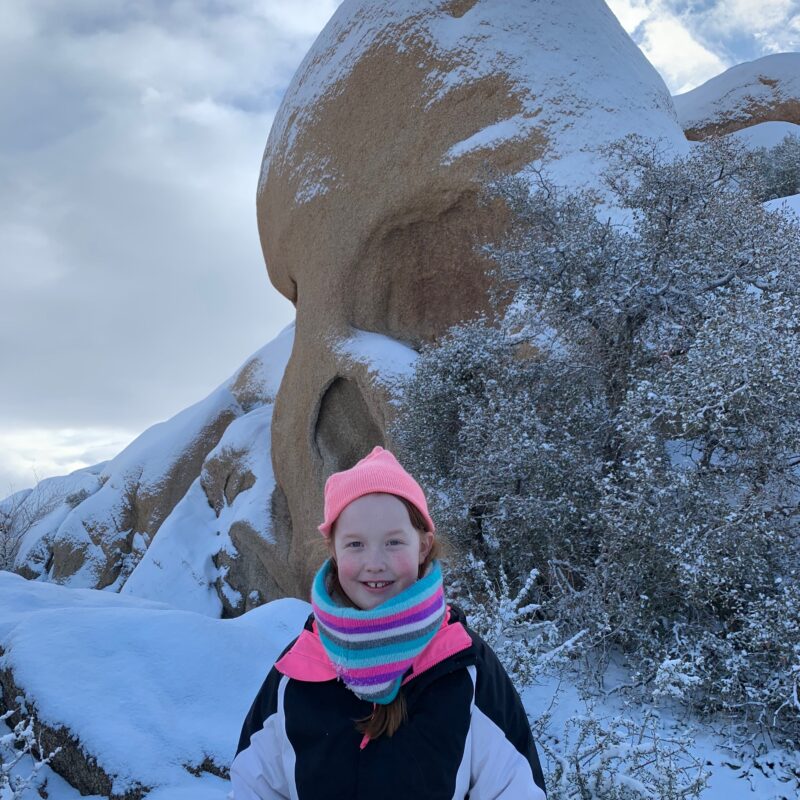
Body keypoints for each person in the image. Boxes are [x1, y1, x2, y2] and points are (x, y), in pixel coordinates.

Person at [230, 446, 547, 799]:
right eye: (355, 544)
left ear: (423, 547)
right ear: (333, 549)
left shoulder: (465, 668)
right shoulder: (297, 670)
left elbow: (515, 789)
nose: (375, 563)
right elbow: (253, 787)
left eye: (394, 542)